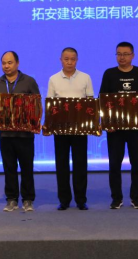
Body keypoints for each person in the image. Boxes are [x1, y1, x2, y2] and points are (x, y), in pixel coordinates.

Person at [99, 41, 138, 210]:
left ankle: (136, 198)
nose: (122, 57)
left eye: (125, 54)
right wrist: (106, 123)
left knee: (137, 164)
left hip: (136, 128)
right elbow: (103, 99)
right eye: (119, 54)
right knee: (114, 164)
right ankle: (116, 198)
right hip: (115, 129)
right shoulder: (109, 73)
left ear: (132, 55)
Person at [0, 51, 40, 212]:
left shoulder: (29, 81)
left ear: (17, 63)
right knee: (9, 168)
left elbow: (37, 105)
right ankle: (11, 199)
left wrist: (35, 123)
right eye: (4, 63)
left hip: (25, 134)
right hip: (5, 134)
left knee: (27, 167)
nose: (6, 66)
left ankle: (28, 199)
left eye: (10, 62)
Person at [47, 47, 94, 211]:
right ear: (61, 60)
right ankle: (64, 200)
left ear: (77, 60)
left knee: (80, 163)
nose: (69, 62)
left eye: (72, 59)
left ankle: (81, 199)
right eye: (66, 59)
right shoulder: (53, 79)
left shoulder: (85, 77)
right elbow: (50, 104)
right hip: (60, 129)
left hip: (80, 128)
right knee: (62, 164)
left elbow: (90, 102)